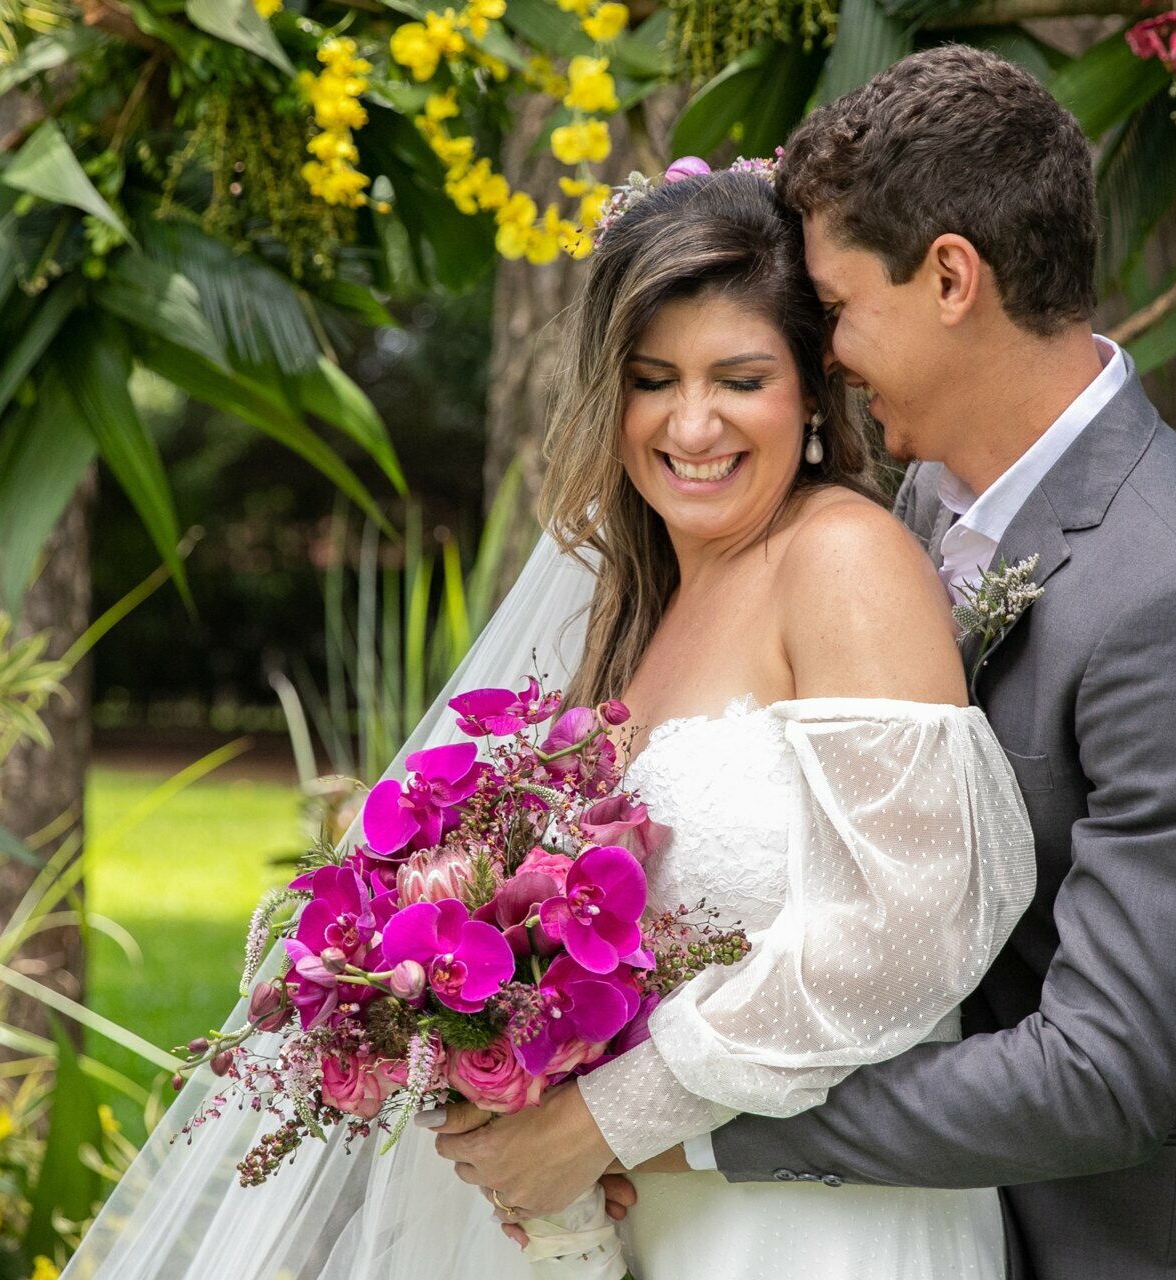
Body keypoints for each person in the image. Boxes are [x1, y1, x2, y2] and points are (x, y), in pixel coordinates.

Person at [437, 45, 1176, 1280]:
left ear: (948, 277)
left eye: (833, 309)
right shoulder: (921, 502)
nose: (825, 350)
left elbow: (1101, 1073)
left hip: (1155, 1252)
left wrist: (661, 1133)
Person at [65, 142, 1035, 1280]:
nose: (692, 425)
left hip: (815, 1230)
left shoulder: (843, 560)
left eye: (740, 377)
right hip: (651, 1213)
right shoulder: (646, 607)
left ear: (813, 389)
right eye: (653, 378)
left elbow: (914, 927)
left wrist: (604, 1119)